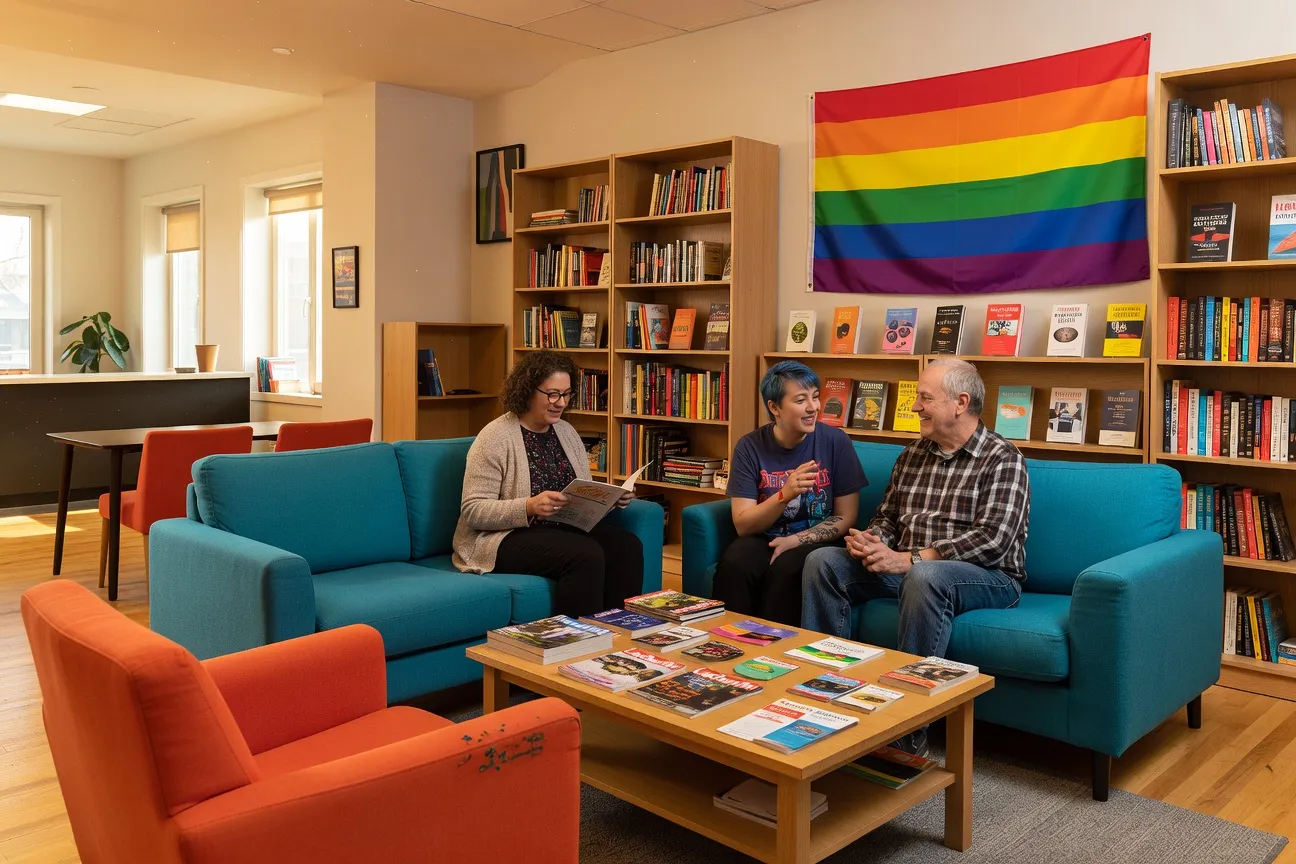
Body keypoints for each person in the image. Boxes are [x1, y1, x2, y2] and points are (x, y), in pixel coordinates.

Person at [803, 358, 1030, 756]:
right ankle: (827, 695)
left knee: (926, 576)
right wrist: (872, 541)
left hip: (988, 577)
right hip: (909, 569)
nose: (915, 406)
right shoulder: (912, 454)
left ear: (960, 403)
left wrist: (911, 559)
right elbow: (888, 518)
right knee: (824, 562)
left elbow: (994, 541)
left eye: (925, 398)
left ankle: (906, 733)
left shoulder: (1003, 458)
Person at [452, 350, 642, 617]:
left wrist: (611, 499)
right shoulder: (494, 438)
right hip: (504, 537)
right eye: (552, 394)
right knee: (584, 554)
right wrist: (529, 506)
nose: (560, 403)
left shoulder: (566, 432)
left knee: (626, 545)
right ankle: (580, 637)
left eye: (566, 394)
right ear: (528, 390)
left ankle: (619, 629)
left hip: (561, 530)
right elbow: (473, 511)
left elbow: (582, 494)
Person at [711, 360, 867, 626]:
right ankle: (725, 639)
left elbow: (846, 516)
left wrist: (795, 540)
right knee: (737, 563)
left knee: (788, 569)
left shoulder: (836, 442)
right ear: (774, 408)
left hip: (817, 542)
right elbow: (743, 524)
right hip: (764, 536)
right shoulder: (750, 447)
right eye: (800, 400)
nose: (813, 407)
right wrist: (785, 494)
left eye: (815, 397)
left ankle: (774, 646)